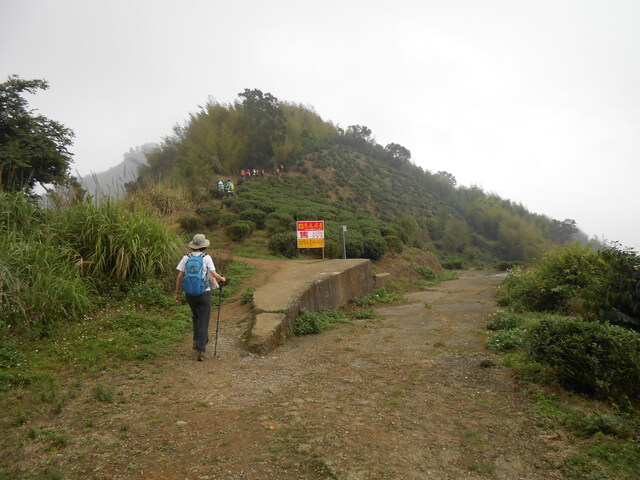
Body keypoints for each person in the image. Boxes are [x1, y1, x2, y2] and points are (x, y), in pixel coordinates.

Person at [174, 234, 226, 361]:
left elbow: (180, 277)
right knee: (203, 321)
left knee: (196, 317)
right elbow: (214, 274)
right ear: (204, 246)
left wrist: (177, 293)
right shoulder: (206, 257)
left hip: (190, 294)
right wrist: (222, 278)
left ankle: (196, 341)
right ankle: (201, 350)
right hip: (204, 293)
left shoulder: (186, 258)